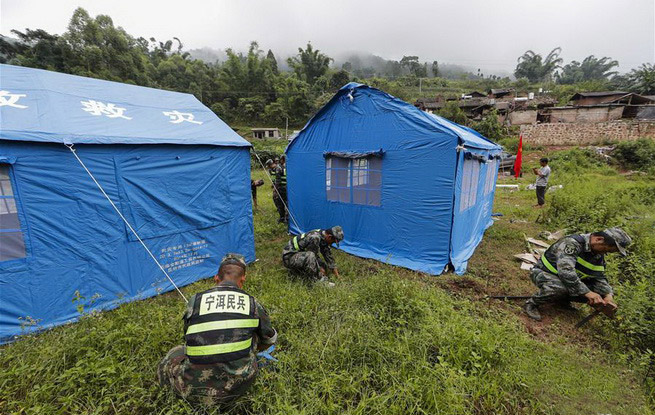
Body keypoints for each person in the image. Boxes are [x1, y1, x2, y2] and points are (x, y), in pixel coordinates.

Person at [158, 254, 277, 406]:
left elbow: (188, 337)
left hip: (192, 390)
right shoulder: (252, 304)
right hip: (239, 387)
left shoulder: (195, 301)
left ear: (216, 278)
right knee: (255, 334)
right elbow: (269, 338)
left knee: (175, 352)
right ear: (243, 280)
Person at [523, 227, 632, 321]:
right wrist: (587, 293)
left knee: (600, 292)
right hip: (544, 273)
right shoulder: (572, 243)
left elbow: (599, 277)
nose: (606, 253)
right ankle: (532, 303)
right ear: (599, 239)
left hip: (565, 280)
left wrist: (608, 296)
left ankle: (562, 300)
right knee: (561, 288)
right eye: (606, 249)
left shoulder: (597, 255)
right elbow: (566, 272)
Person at [272, 156, 288, 223]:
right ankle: (287, 218)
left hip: (281, 188)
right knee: (287, 203)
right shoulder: (288, 167)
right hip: (287, 187)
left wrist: (275, 189)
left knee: (280, 203)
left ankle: (282, 218)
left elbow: (278, 180)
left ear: (282, 160)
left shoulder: (279, 167)